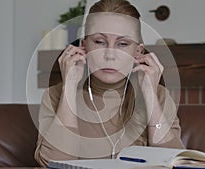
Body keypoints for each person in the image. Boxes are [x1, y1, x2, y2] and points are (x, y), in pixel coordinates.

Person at [35, 0, 185, 167]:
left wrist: (150, 95)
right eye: (99, 42)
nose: (110, 55)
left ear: (138, 52)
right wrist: (69, 87)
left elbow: (175, 163)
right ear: (84, 46)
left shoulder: (159, 96)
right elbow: (54, 164)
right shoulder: (55, 95)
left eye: (123, 44)